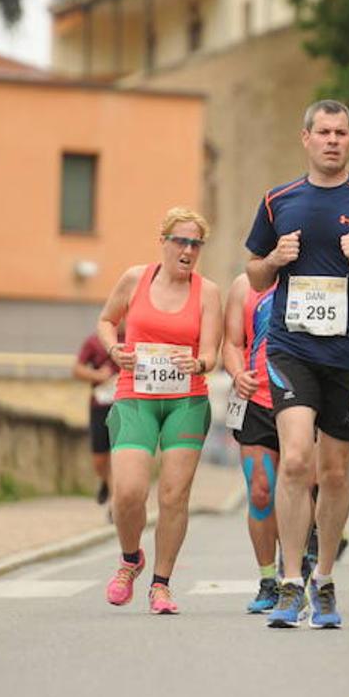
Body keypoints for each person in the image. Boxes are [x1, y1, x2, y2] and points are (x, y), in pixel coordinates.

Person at [245, 99, 349, 629]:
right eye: (324, 132)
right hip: (292, 348)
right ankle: (290, 582)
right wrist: (274, 261)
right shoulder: (278, 201)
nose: (333, 140)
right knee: (296, 461)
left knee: (335, 471)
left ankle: (325, 578)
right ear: (306, 139)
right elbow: (253, 275)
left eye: (342, 132)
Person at [97, 207, 223, 614]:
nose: (188, 250)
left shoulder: (208, 292)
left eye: (195, 244)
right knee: (128, 493)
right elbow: (106, 320)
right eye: (181, 241)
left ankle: (161, 585)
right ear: (164, 242)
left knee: (173, 495)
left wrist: (199, 363)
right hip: (135, 395)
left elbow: (211, 352)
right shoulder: (136, 278)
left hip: (187, 399)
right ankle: (131, 559)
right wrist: (115, 348)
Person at [222, 273, 282, 612]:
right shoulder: (244, 285)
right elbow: (232, 343)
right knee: (260, 491)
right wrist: (237, 373)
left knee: (306, 489)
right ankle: (268, 579)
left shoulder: (312, 275)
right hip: (256, 400)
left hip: (303, 399)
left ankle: (299, 570)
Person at [72, 330, 119, 510]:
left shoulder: (135, 338)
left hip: (127, 406)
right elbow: (77, 369)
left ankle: (113, 506)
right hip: (100, 405)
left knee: (118, 454)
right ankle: (105, 481)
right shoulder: (94, 341)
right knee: (99, 459)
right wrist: (98, 376)